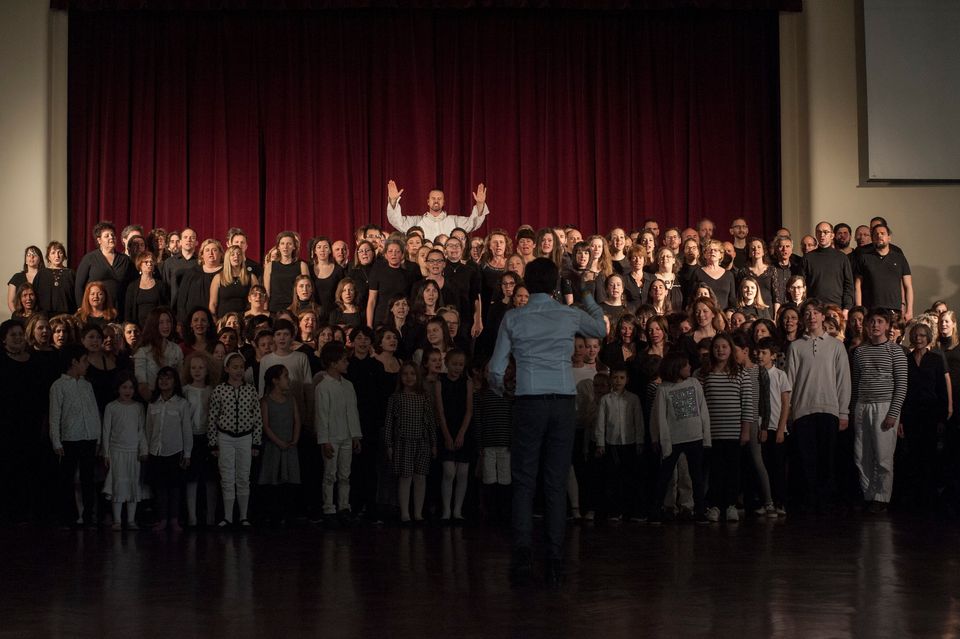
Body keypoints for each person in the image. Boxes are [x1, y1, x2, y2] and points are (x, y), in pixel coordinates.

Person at [488, 257, 606, 589]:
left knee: (524, 482)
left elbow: (496, 369)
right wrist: (585, 294)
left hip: (528, 400)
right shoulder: (567, 314)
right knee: (555, 483)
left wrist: (502, 392)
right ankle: (554, 559)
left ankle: (523, 556)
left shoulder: (513, 317)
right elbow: (599, 328)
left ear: (528, 282)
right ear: (555, 284)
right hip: (562, 401)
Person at [786, 299, 852, 515]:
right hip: (803, 411)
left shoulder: (836, 346)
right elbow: (790, 382)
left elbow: (843, 381)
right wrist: (790, 414)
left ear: (824, 316)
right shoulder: (795, 347)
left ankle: (825, 503)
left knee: (827, 459)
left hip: (829, 411)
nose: (812, 316)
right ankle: (809, 502)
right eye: (808, 313)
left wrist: (843, 412)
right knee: (806, 460)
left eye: (816, 312)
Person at [850, 308, 908, 514]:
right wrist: (853, 409)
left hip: (884, 406)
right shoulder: (860, 352)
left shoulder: (895, 351)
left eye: (880, 321)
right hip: (862, 406)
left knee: (883, 456)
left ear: (887, 325)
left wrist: (893, 413)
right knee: (861, 454)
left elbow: (901, 385)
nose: (875, 325)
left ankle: (882, 498)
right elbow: (856, 383)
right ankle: (868, 494)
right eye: (872, 321)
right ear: (867, 325)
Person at [649, 352, 710, 524]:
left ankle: (699, 510)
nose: (690, 367)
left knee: (696, 476)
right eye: (686, 365)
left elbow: (702, 409)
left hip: (694, 437)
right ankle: (657, 509)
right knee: (665, 476)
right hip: (674, 439)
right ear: (676, 368)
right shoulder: (664, 389)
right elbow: (659, 416)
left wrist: (706, 436)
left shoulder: (694, 383)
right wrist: (658, 438)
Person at [700, 333, 752, 522]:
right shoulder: (704, 373)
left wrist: (745, 430)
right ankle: (714, 505)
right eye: (717, 347)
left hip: (733, 431)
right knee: (715, 470)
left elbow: (747, 404)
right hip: (712, 431)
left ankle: (730, 505)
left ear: (730, 349)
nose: (720, 350)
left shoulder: (741, 373)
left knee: (733, 470)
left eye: (724, 347)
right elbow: (700, 403)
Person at [49, 343, 102, 528]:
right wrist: (56, 441)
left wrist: (98, 437)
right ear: (74, 362)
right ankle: (68, 516)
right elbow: (54, 416)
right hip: (70, 439)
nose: (87, 364)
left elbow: (94, 411)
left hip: (88, 438)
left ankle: (88, 516)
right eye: (84, 361)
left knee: (88, 479)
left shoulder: (87, 385)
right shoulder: (59, 386)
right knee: (67, 479)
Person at [208, 352, 262, 528]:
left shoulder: (250, 390)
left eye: (241, 367)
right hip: (225, 437)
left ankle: (244, 516)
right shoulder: (220, 390)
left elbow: (257, 417)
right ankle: (228, 516)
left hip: (245, 437)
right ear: (227, 369)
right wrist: (213, 443)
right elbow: (213, 418)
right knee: (227, 476)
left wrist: (256, 442)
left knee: (243, 476)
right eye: (235, 367)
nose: (239, 370)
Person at [314, 341, 362, 525]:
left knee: (344, 474)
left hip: (347, 436)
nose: (347, 363)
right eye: (343, 360)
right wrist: (324, 440)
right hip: (332, 437)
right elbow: (322, 415)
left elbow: (353, 411)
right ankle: (328, 507)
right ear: (333, 363)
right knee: (330, 474)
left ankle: (343, 506)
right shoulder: (323, 387)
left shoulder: (348, 385)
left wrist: (356, 435)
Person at [385, 361, 437, 524]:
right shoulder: (395, 398)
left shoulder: (424, 398)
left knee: (420, 477)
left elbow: (430, 422)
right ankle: (405, 513)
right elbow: (389, 422)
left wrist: (434, 443)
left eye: (412, 374)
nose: (409, 377)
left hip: (422, 442)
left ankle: (418, 513)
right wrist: (389, 444)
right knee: (405, 477)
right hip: (403, 442)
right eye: (405, 374)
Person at [146, 366, 193, 531]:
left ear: (175, 382)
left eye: (168, 378)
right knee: (159, 487)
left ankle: (174, 519)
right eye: (161, 378)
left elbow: (187, 430)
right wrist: (146, 449)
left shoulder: (182, 404)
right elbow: (148, 429)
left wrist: (187, 453)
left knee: (174, 487)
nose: (164, 381)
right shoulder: (153, 404)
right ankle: (162, 519)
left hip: (174, 451)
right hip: (156, 451)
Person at [594, 367, 644, 522]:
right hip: (613, 442)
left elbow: (638, 421)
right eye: (615, 377)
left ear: (627, 380)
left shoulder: (633, 399)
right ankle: (615, 510)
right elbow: (600, 422)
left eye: (622, 378)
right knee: (613, 478)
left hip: (629, 441)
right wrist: (600, 443)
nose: (618, 381)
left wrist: (640, 440)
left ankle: (632, 510)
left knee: (630, 477)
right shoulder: (606, 400)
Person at [101, 372, 147, 530]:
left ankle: (132, 520)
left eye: (131, 387)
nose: (128, 390)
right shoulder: (111, 407)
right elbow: (106, 431)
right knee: (118, 485)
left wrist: (143, 449)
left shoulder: (138, 407)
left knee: (133, 484)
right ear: (118, 389)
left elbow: (142, 430)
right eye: (124, 387)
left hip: (133, 452)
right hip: (116, 452)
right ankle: (117, 520)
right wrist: (105, 453)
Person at [258, 365, 301, 526]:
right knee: (273, 478)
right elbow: (266, 425)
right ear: (275, 381)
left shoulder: (291, 399)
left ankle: (287, 513)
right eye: (285, 376)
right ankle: (273, 514)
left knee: (289, 479)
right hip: (274, 446)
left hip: (289, 445)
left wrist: (295, 438)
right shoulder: (266, 401)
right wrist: (279, 441)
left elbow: (297, 419)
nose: (288, 379)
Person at [434, 349, 474, 523]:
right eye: (454, 364)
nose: (457, 367)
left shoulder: (467, 382)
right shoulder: (440, 381)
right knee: (449, 471)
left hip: (463, 429)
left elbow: (469, 410)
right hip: (446, 427)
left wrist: (461, 434)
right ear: (447, 363)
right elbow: (440, 410)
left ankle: (457, 510)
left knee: (463, 472)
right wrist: (447, 435)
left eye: (460, 364)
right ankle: (446, 509)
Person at [181, 350, 218, 529]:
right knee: (192, 478)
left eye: (201, 367)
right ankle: (192, 517)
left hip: (209, 437)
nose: (197, 371)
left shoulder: (213, 391)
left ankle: (211, 516)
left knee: (210, 478)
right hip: (191, 437)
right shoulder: (185, 391)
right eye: (193, 367)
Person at [756, 338, 791, 516]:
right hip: (760, 426)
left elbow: (785, 403)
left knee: (778, 467)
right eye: (759, 352)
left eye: (764, 353)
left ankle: (780, 502)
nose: (760, 356)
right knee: (764, 465)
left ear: (773, 356)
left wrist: (781, 428)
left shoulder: (779, 375)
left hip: (776, 426)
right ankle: (766, 500)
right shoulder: (755, 374)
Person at [386, 180, 490, 238]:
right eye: (433, 198)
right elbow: (397, 222)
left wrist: (480, 204)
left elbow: (473, 224)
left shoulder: (454, 221)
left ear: (444, 202)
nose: (436, 201)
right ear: (428, 202)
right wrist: (393, 201)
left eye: (439, 198)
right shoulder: (416, 221)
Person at [75, 222, 134, 322]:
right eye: (107, 236)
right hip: (95, 310)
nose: (111, 237)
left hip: (120, 308)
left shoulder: (125, 260)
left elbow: (132, 284)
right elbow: (79, 286)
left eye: (113, 235)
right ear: (99, 240)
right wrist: (82, 308)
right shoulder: (89, 258)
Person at [854, 224, 913, 321]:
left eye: (882, 233)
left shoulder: (899, 258)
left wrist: (909, 311)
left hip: (894, 310)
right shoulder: (864, 258)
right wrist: (859, 309)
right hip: (870, 310)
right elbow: (858, 285)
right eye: (876, 234)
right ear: (872, 238)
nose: (879, 236)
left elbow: (908, 286)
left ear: (889, 238)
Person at [802, 222, 854, 311]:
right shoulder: (808, 258)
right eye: (819, 232)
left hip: (836, 308)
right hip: (814, 308)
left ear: (832, 235)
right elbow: (802, 285)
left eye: (826, 232)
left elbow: (848, 285)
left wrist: (846, 308)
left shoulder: (842, 258)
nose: (822, 235)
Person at [263, 231, 309, 314]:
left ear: (294, 247)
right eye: (282, 243)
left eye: (289, 244)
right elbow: (267, 292)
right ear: (278, 247)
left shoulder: (302, 265)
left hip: (295, 309)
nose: (285, 247)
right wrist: (265, 310)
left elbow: (307, 290)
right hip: (274, 309)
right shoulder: (270, 266)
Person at [34, 241, 76, 315]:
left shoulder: (71, 273)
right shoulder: (41, 274)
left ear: (64, 255)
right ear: (48, 257)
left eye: (60, 252)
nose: (57, 256)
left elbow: (75, 295)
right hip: (44, 316)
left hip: (67, 315)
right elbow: (35, 294)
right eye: (53, 253)